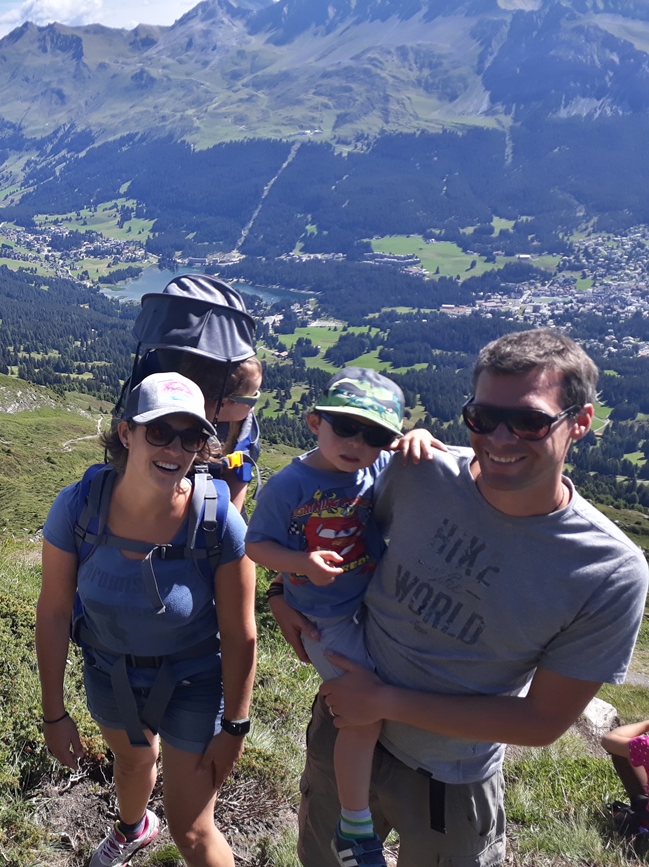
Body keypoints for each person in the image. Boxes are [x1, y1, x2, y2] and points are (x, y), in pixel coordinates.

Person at [268, 328, 649, 866]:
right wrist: (280, 590)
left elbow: (542, 722)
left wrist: (383, 702)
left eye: (529, 421)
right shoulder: (419, 472)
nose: (500, 438)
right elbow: (335, 531)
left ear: (581, 422)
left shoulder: (608, 570)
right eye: (483, 417)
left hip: (448, 776)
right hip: (344, 724)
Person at [37, 372, 257, 867]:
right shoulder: (78, 508)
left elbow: (240, 632)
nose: (174, 449)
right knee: (134, 760)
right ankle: (133, 828)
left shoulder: (219, 521)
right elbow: (52, 611)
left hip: (194, 680)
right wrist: (54, 714)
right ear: (126, 433)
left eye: (190, 436)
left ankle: (147, 826)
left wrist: (235, 726)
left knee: (193, 830)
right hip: (109, 672)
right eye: (159, 431)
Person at [246, 368, 440, 866]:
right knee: (362, 714)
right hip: (324, 618)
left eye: (374, 435)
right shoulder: (290, 484)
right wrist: (300, 563)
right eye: (346, 427)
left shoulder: (377, 467)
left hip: (370, 605)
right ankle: (354, 827)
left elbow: (414, 462)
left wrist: (416, 438)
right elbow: (256, 546)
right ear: (315, 422)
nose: (357, 443)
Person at [177, 354, 264, 512]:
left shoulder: (237, 431)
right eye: (252, 399)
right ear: (224, 403)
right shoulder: (174, 431)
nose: (253, 408)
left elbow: (239, 477)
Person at [602, 719, 649, 837]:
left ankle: (641, 824)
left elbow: (608, 740)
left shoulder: (646, 745)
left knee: (623, 746)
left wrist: (646, 724)